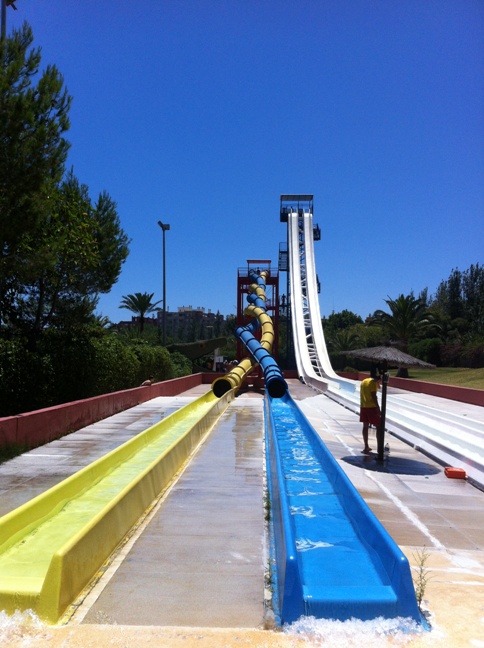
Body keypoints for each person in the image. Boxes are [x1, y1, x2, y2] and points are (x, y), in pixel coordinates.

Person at [359, 367, 381, 454]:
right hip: (371, 407)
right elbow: (373, 396)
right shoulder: (373, 383)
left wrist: (377, 384)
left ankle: (366, 446)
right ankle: (379, 448)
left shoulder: (364, 381)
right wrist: (378, 408)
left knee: (365, 426)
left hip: (363, 406)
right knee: (378, 427)